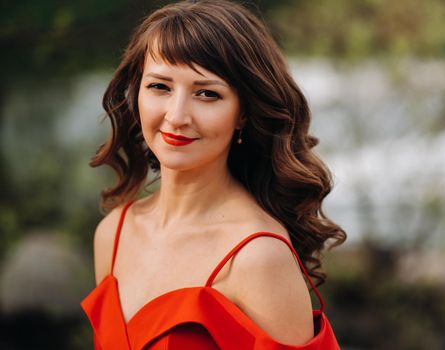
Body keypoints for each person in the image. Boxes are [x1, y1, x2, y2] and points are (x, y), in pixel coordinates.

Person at [80, 0, 346, 349]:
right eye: (160, 86)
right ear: (136, 93)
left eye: (207, 93)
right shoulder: (112, 234)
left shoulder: (258, 257)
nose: (176, 116)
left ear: (243, 114)